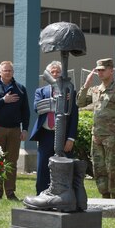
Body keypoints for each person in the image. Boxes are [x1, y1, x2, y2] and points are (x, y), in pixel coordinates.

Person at [76, 58, 115, 199]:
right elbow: (80, 103)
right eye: (98, 70)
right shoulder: (95, 90)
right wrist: (86, 85)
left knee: (112, 169)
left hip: (113, 137)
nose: (100, 73)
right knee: (98, 169)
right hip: (97, 136)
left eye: (103, 70)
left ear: (111, 70)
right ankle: (104, 196)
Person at [29, 61, 79, 195]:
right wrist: (58, 102)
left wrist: (71, 138)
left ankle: (64, 195)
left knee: (64, 167)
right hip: (45, 135)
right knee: (42, 168)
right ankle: (41, 194)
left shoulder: (70, 91)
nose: (55, 74)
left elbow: (74, 116)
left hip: (63, 135)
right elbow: (37, 108)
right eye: (52, 72)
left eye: (58, 72)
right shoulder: (40, 91)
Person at [0, 61, 30, 200]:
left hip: (15, 130)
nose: (8, 73)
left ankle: (10, 192)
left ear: (13, 72)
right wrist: (3, 100)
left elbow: (25, 112)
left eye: (10, 70)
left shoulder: (20, 89)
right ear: (0, 72)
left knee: (11, 162)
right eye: (5, 70)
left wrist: (25, 129)